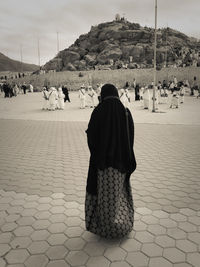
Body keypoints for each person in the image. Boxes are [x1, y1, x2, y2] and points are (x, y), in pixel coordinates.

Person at [85, 83, 137, 239]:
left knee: (103, 196)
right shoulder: (125, 112)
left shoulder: (98, 111)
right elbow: (131, 137)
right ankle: (121, 224)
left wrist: (97, 154)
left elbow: (91, 137)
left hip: (102, 165)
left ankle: (104, 227)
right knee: (119, 194)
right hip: (121, 164)